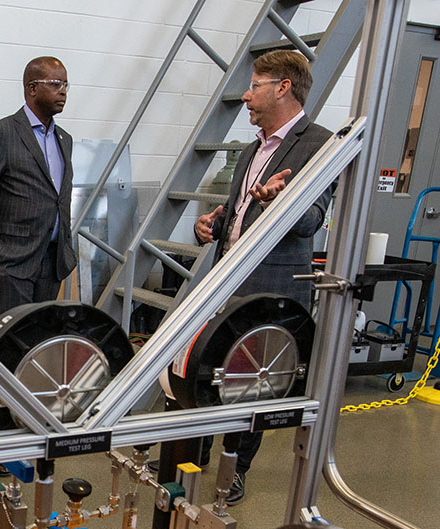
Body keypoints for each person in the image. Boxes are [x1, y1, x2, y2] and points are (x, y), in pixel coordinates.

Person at [193, 50, 334, 505]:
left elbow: (311, 220)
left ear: (283, 87)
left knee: (250, 386)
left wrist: (283, 203)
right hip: (226, 279)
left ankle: (235, 470)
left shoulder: (319, 144)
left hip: (270, 285)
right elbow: (240, 213)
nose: (246, 95)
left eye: (255, 85)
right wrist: (214, 226)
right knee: (204, 369)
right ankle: (192, 455)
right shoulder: (254, 148)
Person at [0, 56, 77, 316]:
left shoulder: (64, 140)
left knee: (40, 339)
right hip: (13, 264)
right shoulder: (2, 134)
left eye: (66, 85)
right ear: (32, 88)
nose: (63, 92)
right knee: (13, 343)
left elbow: (58, 199)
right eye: (56, 84)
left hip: (52, 261)